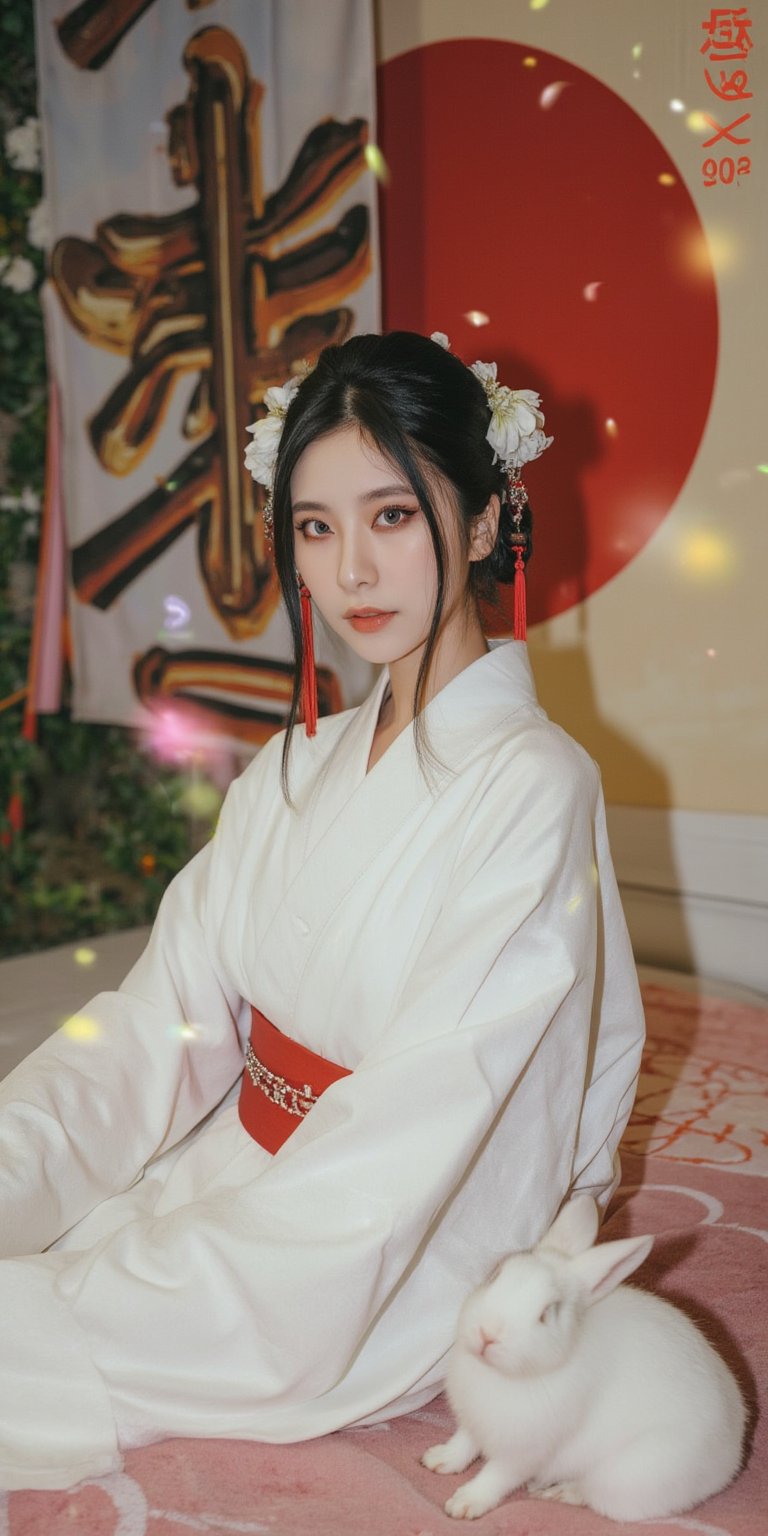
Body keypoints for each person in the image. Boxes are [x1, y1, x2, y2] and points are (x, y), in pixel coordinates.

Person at [0, 330, 644, 1491]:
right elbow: (161, 1027)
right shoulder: (297, 764)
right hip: (243, 1175)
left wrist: (147, 1275)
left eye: (392, 516)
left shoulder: (538, 786)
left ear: (489, 520)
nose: (349, 573)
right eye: (315, 525)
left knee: (31, 1339)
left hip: (378, 1246)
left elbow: (416, 1143)